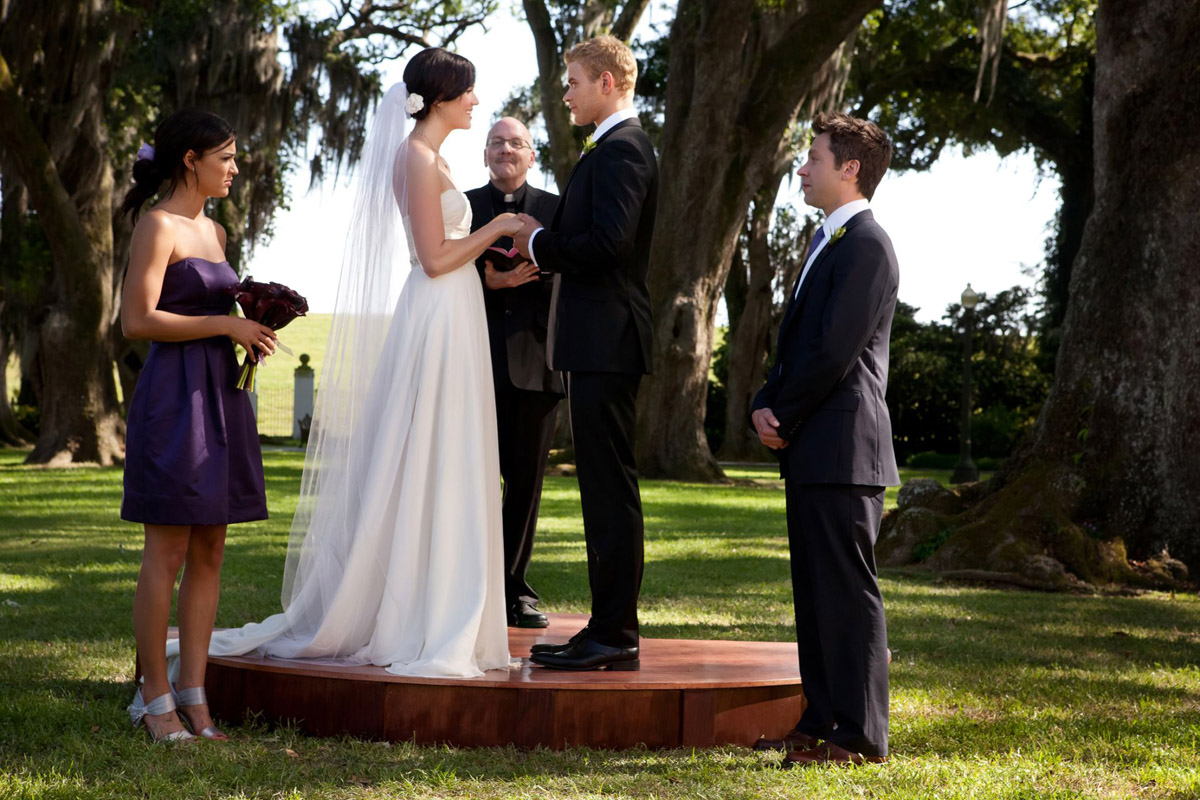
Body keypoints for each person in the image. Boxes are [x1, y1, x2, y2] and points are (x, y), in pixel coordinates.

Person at [169, 48, 526, 680]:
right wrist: (497, 223)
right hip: (435, 316)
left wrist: (493, 279)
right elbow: (434, 257)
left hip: (459, 312)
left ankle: (447, 599)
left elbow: (452, 260)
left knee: (454, 451)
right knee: (426, 452)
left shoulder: (437, 158)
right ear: (441, 97)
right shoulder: (415, 158)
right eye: (468, 92)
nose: (476, 102)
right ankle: (414, 610)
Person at [749, 112, 900, 767]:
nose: (802, 168)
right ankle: (819, 720)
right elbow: (797, 348)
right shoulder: (823, 241)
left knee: (847, 593)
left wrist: (783, 411)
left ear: (851, 168)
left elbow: (837, 350)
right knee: (813, 595)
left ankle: (860, 735)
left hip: (844, 449)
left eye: (813, 158)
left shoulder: (867, 245)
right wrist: (762, 401)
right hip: (813, 447)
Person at [120, 108, 276, 742]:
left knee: (211, 545)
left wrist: (252, 327)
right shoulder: (157, 226)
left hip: (221, 396)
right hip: (173, 399)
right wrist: (225, 323)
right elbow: (137, 321)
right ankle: (152, 696)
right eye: (227, 158)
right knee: (170, 549)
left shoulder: (212, 231)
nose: (236, 169)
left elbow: (215, 306)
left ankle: (195, 692)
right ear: (192, 160)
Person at [513, 36, 658, 671]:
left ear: (605, 81)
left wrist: (538, 241)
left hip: (609, 341)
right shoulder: (609, 146)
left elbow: (608, 246)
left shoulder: (623, 149)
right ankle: (605, 628)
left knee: (610, 492)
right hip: (597, 342)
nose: (565, 92)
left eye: (572, 81)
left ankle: (615, 635)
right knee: (601, 490)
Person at [465, 117, 563, 629]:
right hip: (468, 364)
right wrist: (493, 284)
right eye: (497, 143)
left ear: (531, 156)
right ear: (484, 155)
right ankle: (464, 586)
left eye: (516, 143)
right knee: (467, 480)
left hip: (536, 369)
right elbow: (439, 272)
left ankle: (513, 589)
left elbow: (573, 275)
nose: (506, 150)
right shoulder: (462, 206)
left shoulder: (554, 209)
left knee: (524, 485)